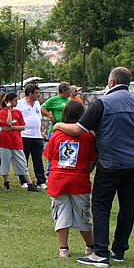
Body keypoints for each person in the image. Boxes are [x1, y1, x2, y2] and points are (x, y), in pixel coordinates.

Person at [54, 67, 134, 267]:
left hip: (110, 163)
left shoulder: (102, 103)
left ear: (111, 82)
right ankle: (119, 250)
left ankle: (100, 253)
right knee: (128, 207)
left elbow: (77, 129)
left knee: (101, 206)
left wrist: (58, 126)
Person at [43, 100, 96, 258]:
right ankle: (90, 246)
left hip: (58, 179)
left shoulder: (57, 134)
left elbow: (51, 157)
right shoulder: (88, 136)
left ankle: (63, 248)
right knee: (82, 214)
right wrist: (85, 171)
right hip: (79, 179)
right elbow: (92, 159)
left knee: (61, 213)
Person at [0, 93, 41, 192]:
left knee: (22, 162)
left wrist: (12, 128)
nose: (17, 103)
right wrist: (8, 111)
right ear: (9, 102)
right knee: (5, 161)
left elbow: (23, 126)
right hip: (5, 141)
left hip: (16, 141)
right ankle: (6, 181)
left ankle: (29, 183)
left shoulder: (18, 112)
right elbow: (7, 122)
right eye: (15, 101)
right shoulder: (3, 112)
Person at [15, 83, 47, 190]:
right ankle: (23, 180)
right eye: (36, 93)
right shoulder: (20, 104)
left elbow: (40, 119)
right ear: (30, 94)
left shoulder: (37, 104)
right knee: (24, 159)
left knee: (38, 159)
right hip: (25, 135)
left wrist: (41, 132)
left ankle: (41, 181)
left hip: (37, 136)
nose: (38, 95)